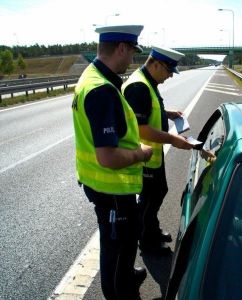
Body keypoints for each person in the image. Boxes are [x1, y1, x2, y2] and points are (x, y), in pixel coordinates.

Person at [72, 24, 153, 300]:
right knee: (117, 249)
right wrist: (141, 154)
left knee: (120, 245)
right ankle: (122, 295)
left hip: (102, 185)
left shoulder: (92, 77)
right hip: (112, 189)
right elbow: (107, 156)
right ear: (121, 48)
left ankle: (127, 278)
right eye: (131, 51)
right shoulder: (102, 90)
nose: (132, 58)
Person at [122, 46, 194, 255]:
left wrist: (167, 113)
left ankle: (151, 230)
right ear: (155, 63)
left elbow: (147, 109)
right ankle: (147, 242)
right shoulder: (139, 86)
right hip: (144, 156)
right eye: (169, 70)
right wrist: (173, 139)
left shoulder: (148, 82)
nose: (170, 75)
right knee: (149, 200)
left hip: (153, 155)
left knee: (158, 193)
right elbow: (141, 128)